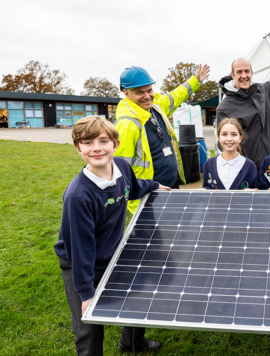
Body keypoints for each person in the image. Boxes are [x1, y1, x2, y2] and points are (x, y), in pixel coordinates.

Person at [54, 116, 170, 355]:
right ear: (78, 149)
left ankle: (132, 343)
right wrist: (86, 293)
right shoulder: (78, 196)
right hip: (80, 261)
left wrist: (154, 185)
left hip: (114, 252)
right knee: (89, 323)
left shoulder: (122, 167)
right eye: (87, 143)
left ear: (115, 144)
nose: (96, 148)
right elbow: (81, 248)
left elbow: (135, 187)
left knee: (136, 298)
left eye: (103, 140)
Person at [114, 64, 210, 213]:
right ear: (126, 93)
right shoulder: (126, 125)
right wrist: (136, 206)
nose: (147, 96)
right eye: (140, 92)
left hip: (171, 186)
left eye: (149, 90)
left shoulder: (157, 105)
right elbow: (120, 172)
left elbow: (177, 94)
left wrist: (196, 79)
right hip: (148, 196)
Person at [202, 116, 257, 190]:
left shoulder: (250, 166)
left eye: (234, 134)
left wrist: (252, 191)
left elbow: (256, 190)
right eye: (224, 134)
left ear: (240, 138)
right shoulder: (208, 165)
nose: (229, 139)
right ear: (218, 137)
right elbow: (206, 187)